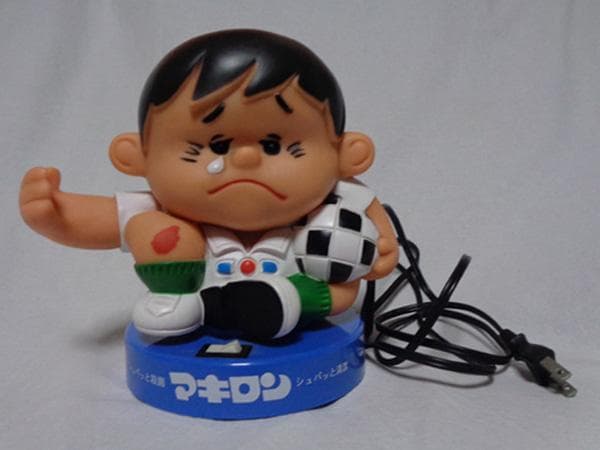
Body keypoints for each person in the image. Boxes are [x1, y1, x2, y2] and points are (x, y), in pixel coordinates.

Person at [19, 29, 399, 340]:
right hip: (197, 292)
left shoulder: (334, 205)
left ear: (345, 154)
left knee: (341, 284)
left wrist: (380, 246)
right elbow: (103, 221)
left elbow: (370, 221)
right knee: (159, 231)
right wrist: (55, 215)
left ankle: (290, 302)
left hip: (301, 290)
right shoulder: (160, 209)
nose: (245, 160)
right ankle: (177, 301)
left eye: (273, 145)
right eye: (216, 145)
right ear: (137, 157)